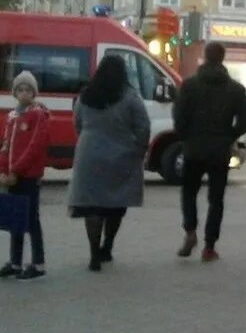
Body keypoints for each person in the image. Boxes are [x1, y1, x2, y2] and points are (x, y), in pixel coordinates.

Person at [67, 55, 151, 272]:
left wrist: (87, 141)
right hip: (121, 155)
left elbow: (77, 123)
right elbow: (143, 127)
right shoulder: (130, 97)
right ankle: (107, 247)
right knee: (115, 204)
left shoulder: (86, 95)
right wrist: (139, 150)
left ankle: (94, 254)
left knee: (92, 206)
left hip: (89, 155)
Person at [173, 42, 246, 261]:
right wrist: (229, 136)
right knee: (216, 199)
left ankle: (190, 232)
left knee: (189, 192)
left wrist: (186, 136)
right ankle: (209, 246)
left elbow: (179, 118)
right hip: (220, 151)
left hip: (193, 149)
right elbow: (245, 121)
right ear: (223, 58)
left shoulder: (189, 86)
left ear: (205, 57)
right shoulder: (235, 89)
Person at [0, 71, 51, 280]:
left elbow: (35, 147)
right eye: (20, 90)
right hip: (13, 176)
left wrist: (16, 170)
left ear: (34, 93)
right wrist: (3, 171)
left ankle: (38, 263)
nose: (23, 93)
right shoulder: (12, 116)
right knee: (15, 220)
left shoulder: (38, 115)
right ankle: (15, 262)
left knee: (31, 219)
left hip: (28, 175)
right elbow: (5, 146)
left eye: (27, 90)